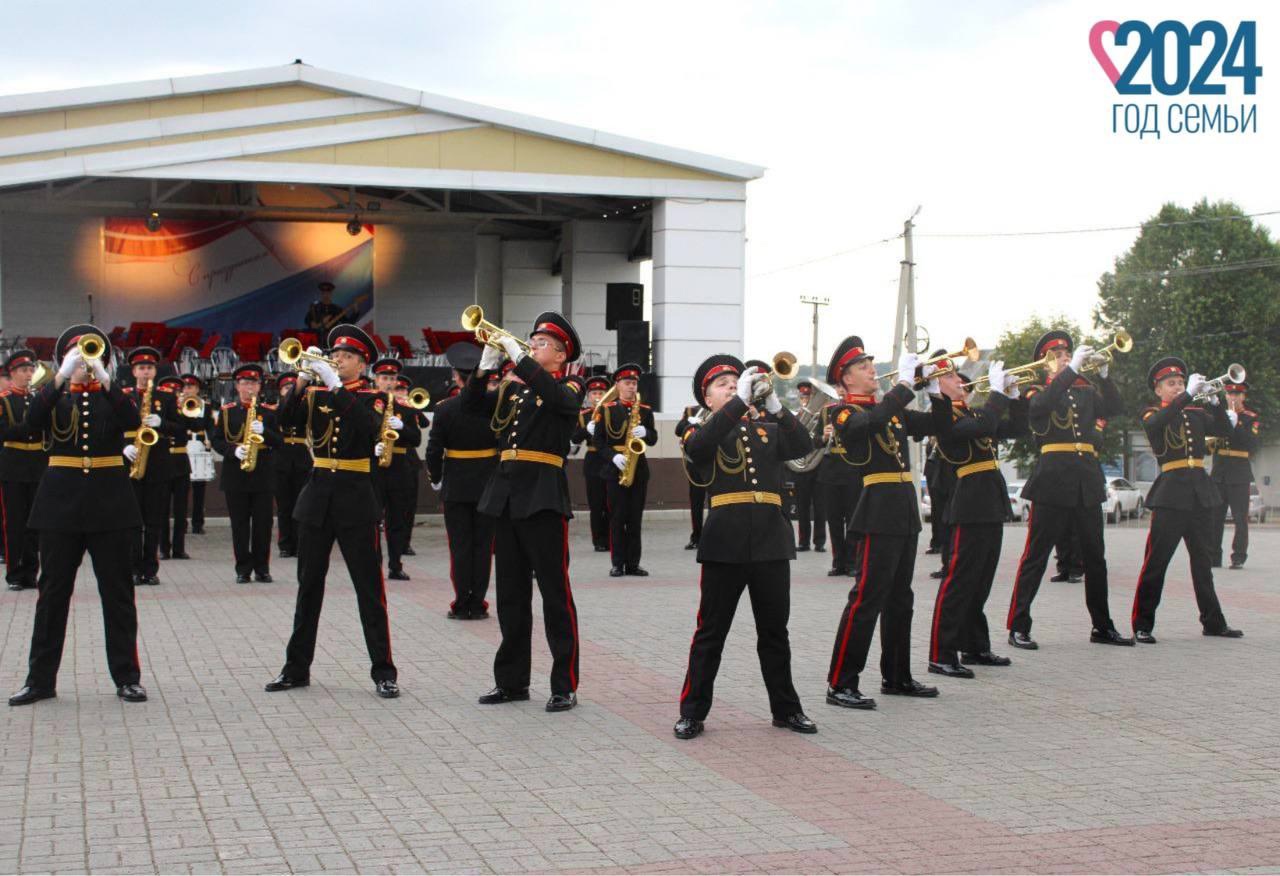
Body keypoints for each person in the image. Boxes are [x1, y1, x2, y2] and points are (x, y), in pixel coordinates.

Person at [674, 355, 817, 739]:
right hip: (725, 542)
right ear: (707, 398)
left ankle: (786, 710)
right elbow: (700, 448)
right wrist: (738, 401)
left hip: (771, 540)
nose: (732, 388)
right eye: (722, 385)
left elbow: (803, 444)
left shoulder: (766, 426)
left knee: (775, 633)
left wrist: (775, 406)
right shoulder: (698, 428)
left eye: (735, 382)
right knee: (711, 633)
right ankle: (692, 711)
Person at [9, 324, 147, 706]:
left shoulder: (111, 396)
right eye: (79, 357)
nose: (85, 364)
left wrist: (106, 379)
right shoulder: (53, 395)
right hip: (60, 504)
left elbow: (133, 421)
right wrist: (60, 376)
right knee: (51, 594)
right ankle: (40, 680)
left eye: (91, 357)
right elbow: (32, 422)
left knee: (118, 594)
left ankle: (127, 677)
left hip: (109, 503)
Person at [265, 324, 400, 699]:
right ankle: (296, 669)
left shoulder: (373, 397)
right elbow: (283, 422)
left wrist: (336, 389)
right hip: (318, 494)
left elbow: (369, 427)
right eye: (335, 355)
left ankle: (384, 671)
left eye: (346, 357)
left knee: (369, 589)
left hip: (356, 497)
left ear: (363, 363)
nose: (338, 361)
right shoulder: (315, 393)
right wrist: (301, 382)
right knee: (308, 586)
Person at [463, 312, 584, 713]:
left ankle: (564, 684)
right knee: (511, 596)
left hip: (543, 495)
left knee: (555, 595)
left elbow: (557, 400)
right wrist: (484, 369)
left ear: (562, 354)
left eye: (542, 343)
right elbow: (471, 409)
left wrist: (522, 360)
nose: (532, 346)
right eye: (530, 340)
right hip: (507, 494)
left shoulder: (569, 385)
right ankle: (512, 682)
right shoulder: (515, 389)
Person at [825, 342, 940, 711]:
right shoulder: (842, 411)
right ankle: (841, 681)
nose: (873, 370)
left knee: (900, 598)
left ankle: (897, 675)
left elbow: (937, 426)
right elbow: (866, 425)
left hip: (903, 509)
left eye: (873, 364)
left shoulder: (890, 411)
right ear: (845, 377)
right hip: (877, 510)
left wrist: (934, 393)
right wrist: (904, 386)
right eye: (864, 366)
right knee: (866, 598)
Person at [1005, 331, 1131, 650]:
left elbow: (1114, 408)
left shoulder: (1085, 391)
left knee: (1095, 558)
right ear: (1046, 363)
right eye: (1057, 355)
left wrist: (1104, 376)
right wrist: (1071, 370)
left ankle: (1102, 626)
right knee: (1036, 555)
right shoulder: (1036, 390)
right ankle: (1018, 625)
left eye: (1067, 353)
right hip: (1052, 480)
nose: (1064, 357)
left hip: (1086, 479)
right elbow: (1040, 408)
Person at [1131, 358, 1243, 643]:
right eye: (1172, 384)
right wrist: (1189, 395)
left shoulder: (1194, 413)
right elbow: (1159, 422)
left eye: (1181, 383)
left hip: (1199, 494)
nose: (1178, 386)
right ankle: (1142, 624)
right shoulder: (1151, 413)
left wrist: (1216, 403)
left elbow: (1225, 433)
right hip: (1171, 494)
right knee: (1157, 561)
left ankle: (1213, 622)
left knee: (1203, 563)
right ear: (1158, 390)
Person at [926, 357, 1025, 678]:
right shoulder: (942, 419)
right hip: (968, 503)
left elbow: (1017, 429)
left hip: (988, 502)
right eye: (952, 378)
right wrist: (996, 393)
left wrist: (1015, 396)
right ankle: (941, 653)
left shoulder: (973, 413)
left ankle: (974, 645)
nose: (960, 382)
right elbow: (983, 425)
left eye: (959, 377)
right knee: (959, 581)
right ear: (937, 386)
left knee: (981, 580)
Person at [425, 342, 498, 619]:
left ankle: (461, 602)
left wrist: (436, 478)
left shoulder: (444, 409)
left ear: (456, 376)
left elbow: (434, 450)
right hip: (487, 484)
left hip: (455, 484)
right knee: (483, 547)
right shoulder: (493, 404)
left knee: (460, 548)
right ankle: (477, 603)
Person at [210, 364, 282, 584]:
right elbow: (216, 440)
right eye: (244, 383)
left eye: (253, 383)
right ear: (237, 385)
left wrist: (266, 433)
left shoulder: (269, 412)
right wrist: (234, 450)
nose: (248, 387)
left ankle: (262, 568)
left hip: (262, 474)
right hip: (235, 474)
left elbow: (279, 442)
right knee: (239, 525)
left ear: (259, 386)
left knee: (263, 524)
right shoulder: (227, 411)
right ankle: (243, 569)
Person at [122, 347, 183, 587]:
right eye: (141, 368)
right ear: (134, 371)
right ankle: (134, 567)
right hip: (131, 462)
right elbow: (109, 426)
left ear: (155, 371)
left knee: (154, 520)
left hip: (158, 464)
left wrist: (162, 423)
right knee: (133, 520)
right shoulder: (124, 396)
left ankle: (151, 569)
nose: (145, 372)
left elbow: (181, 429)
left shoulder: (166, 397)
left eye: (149, 368)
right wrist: (123, 447)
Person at [592, 363, 657, 577]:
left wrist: (646, 431)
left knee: (635, 519)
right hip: (615, 469)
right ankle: (617, 563)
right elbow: (599, 441)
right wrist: (614, 456)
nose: (632, 386)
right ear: (618, 385)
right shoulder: (607, 409)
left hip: (638, 470)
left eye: (635, 383)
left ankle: (633, 563)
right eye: (627, 382)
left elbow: (654, 438)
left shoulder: (645, 411)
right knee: (617, 518)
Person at [816, 341, 871, 579]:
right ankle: (839, 561)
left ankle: (852, 561)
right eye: (836, 388)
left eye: (841, 388)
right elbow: (815, 442)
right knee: (834, 519)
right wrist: (823, 435)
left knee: (852, 516)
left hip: (851, 467)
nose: (839, 392)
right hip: (830, 467)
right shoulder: (827, 411)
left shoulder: (857, 410)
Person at [369, 357, 422, 581]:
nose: (389, 382)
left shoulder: (406, 408)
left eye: (392, 378)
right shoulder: (367, 403)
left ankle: (395, 564)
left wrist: (402, 428)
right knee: (372, 517)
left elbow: (417, 439)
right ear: (376, 380)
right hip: (375, 465)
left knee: (397, 518)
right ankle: (373, 563)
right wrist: (373, 445)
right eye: (384, 378)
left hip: (399, 466)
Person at [0, 348, 48, 591]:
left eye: (31, 370)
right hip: (14, 466)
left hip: (37, 464)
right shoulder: (4, 400)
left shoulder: (39, 398)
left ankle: (31, 571)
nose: (28, 374)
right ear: (12, 374)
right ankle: (15, 573)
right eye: (23, 370)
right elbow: (4, 432)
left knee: (34, 522)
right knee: (15, 523)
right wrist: (28, 425)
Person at [1210, 378, 1259, 570]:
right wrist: (1224, 419)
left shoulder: (1250, 417)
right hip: (1219, 472)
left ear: (1243, 396)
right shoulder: (1219, 415)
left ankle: (1238, 556)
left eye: (1237, 394)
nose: (1233, 397)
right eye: (1230, 393)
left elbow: (1250, 444)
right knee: (1215, 517)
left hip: (1239, 474)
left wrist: (1236, 423)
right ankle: (1214, 556)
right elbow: (1211, 440)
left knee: (1240, 519)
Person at [272, 372, 310, 558]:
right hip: (282, 457)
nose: (289, 391)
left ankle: (300, 541)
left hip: (301, 457)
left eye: (292, 387)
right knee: (284, 505)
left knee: (300, 503)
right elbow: (282, 417)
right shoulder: (275, 409)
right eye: (286, 388)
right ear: (280, 391)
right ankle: (285, 544)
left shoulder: (305, 406)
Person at [787, 379, 826, 553]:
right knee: (802, 505)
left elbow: (821, 440)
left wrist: (813, 439)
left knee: (820, 505)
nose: (805, 400)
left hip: (817, 465)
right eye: (803, 396)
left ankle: (819, 542)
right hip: (801, 467)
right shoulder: (796, 418)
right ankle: (803, 542)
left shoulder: (822, 418)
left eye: (808, 396)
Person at [573, 375, 611, 552]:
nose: (597, 396)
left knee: (612, 502)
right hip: (594, 459)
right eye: (594, 393)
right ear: (588, 396)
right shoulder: (584, 415)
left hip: (611, 458)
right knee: (596, 504)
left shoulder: (612, 411)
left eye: (601, 392)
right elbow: (573, 439)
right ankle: (599, 540)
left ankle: (612, 538)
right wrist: (584, 430)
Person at [156, 375, 191, 560]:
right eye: (171, 391)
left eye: (177, 391)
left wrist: (186, 410)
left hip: (180, 462)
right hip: (162, 461)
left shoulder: (184, 410)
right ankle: (163, 548)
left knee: (181, 510)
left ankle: (179, 548)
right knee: (162, 509)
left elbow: (190, 427)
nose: (175, 394)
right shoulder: (158, 409)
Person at [395, 373, 427, 558]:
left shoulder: (410, 408)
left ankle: (405, 542)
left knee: (409, 505)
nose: (401, 392)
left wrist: (411, 407)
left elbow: (424, 423)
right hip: (390, 456)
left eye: (403, 389)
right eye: (398, 389)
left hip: (409, 460)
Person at [179, 374, 213, 536]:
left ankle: (198, 523)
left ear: (197, 389)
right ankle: (182, 523)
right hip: (183, 445)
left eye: (190, 387)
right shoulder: (176, 405)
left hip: (198, 444)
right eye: (184, 387)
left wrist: (211, 441)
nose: (187, 390)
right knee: (182, 488)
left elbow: (210, 427)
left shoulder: (205, 406)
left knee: (199, 488)